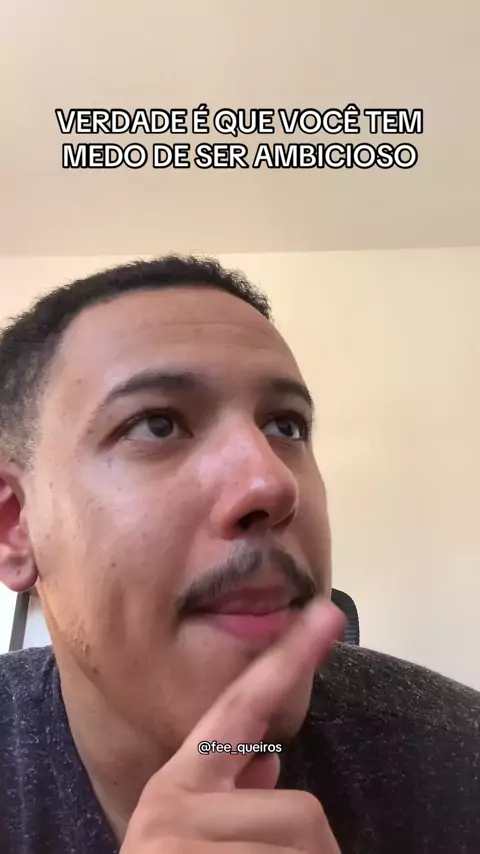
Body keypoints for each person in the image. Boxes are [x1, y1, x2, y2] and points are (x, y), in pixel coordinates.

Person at [0, 255, 478, 854]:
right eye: (157, 424)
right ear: (15, 525)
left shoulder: (460, 764)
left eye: (286, 427)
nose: (273, 483)